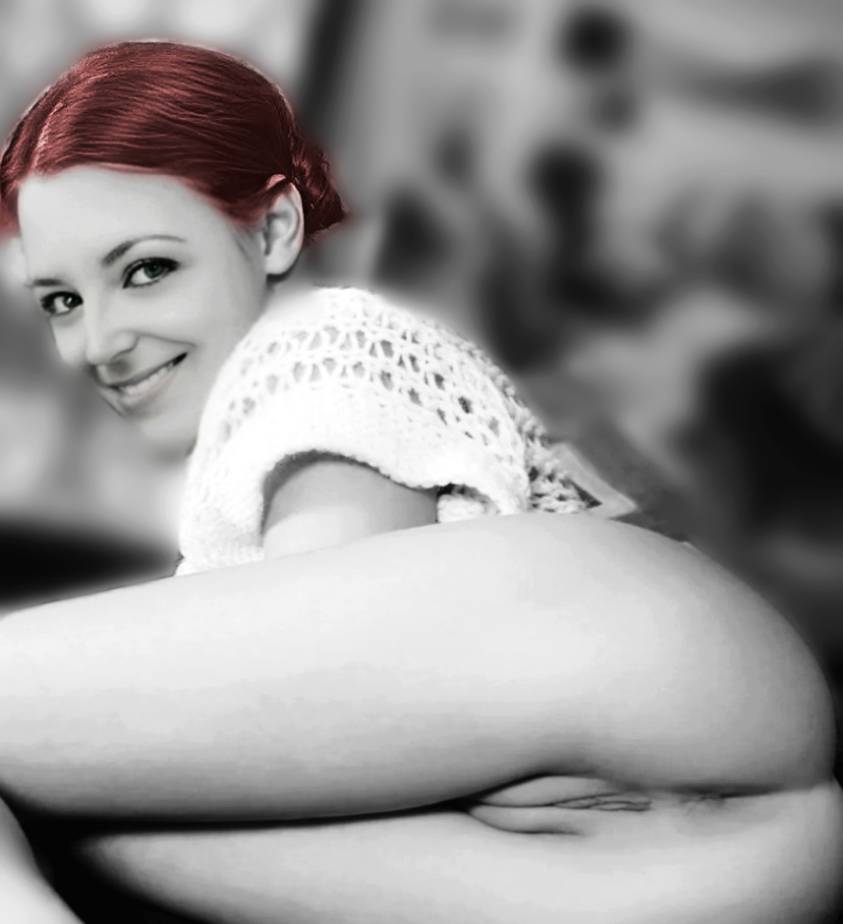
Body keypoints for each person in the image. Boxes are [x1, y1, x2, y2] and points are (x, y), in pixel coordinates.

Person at [0, 40, 840, 923]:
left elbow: (319, 673)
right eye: (62, 301)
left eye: (146, 270)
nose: (99, 343)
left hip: (641, 678)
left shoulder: (320, 343)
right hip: (657, 858)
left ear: (275, 229)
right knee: (62, 803)